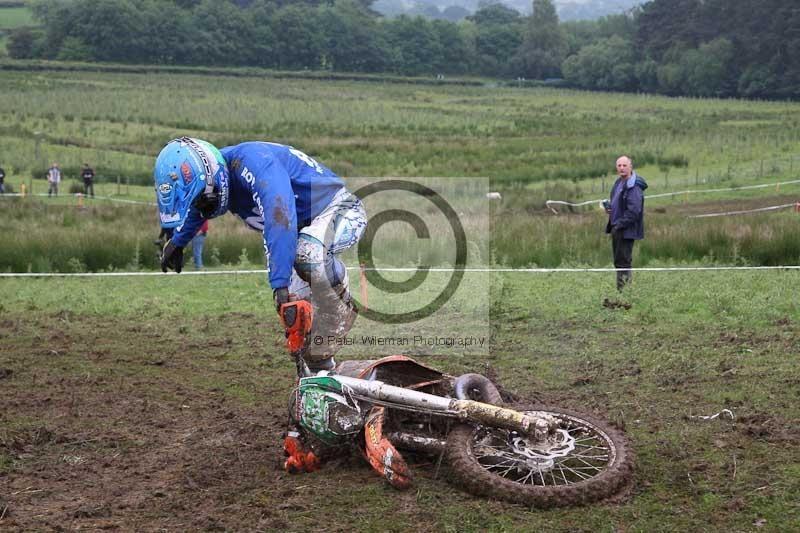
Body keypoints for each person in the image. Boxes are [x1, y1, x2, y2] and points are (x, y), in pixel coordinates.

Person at [153, 137, 367, 372]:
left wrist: (279, 284)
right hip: (298, 236)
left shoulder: (255, 163)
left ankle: (341, 303)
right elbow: (199, 204)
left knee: (308, 254)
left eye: (203, 202)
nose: (203, 210)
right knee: (300, 323)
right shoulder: (214, 171)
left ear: (214, 181)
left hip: (339, 210)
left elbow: (280, 216)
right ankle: (322, 385)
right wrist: (178, 241)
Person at [604, 156, 647, 290]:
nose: (621, 168)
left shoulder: (633, 186)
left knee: (623, 262)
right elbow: (620, 204)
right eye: (619, 165)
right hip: (617, 227)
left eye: (624, 165)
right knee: (619, 261)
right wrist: (611, 208)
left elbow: (634, 211)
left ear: (631, 167)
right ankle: (622, 291)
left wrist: (619, 225)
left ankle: (625, 293)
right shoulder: (619, 182)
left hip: (625, 230)